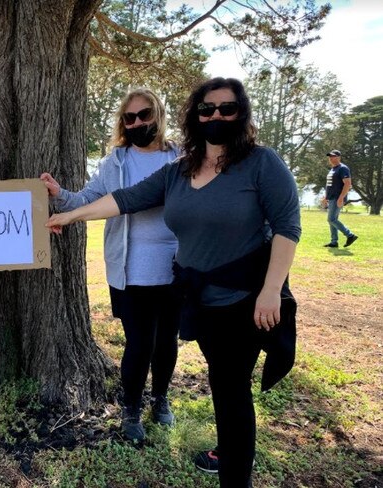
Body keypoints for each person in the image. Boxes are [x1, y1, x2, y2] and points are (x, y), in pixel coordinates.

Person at [46, 77, 301, 488]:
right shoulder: (180, 170)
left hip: (244, 297)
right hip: (198, 298)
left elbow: (288, 226)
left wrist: (271, 290)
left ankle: (235, 476)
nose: (216, 115)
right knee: (221, 383)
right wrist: (67, 215)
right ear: (194, 115)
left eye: (227, 108)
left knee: (233, 393)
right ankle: (226, 450)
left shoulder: (261, 163)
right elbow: (124, 200)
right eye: (207, 109)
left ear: (242, 113)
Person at [41, 88, 179, 442]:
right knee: (139, 343)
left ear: (158, 115)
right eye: (129, 118)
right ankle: (131, 408)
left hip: (178, 267)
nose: (137, 123)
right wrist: (60, 195)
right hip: (130, 269)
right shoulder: (114, 162)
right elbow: (88, 199)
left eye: (144, 115)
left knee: (166, 341)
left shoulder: (181, 158)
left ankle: (160, 399)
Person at [322, 150, 358, 248]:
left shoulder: (343, 168)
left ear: (339, 157)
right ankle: (334, 242)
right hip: (331, 197)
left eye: (333, 156)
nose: (331, 158)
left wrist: (341, 198)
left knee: (331, 219)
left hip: (337, 198)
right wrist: (326, 197)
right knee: (333, 219)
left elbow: (347, 183)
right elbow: (330, 185)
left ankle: (350, 235)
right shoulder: (333, 169)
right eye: (330, 156)